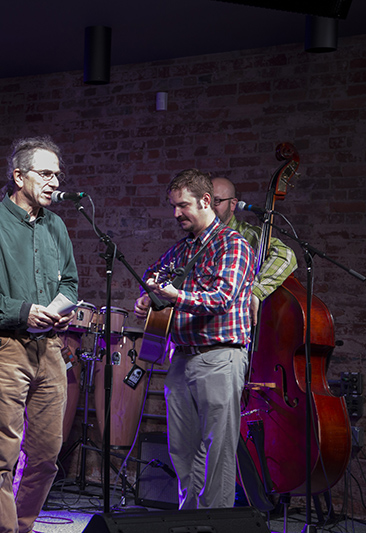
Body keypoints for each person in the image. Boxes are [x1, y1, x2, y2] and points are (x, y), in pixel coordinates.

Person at [0, 136, 78, 533]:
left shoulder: (56, 226)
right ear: (19, 176)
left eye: (57, 174)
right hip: (1, 348)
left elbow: (70, 283)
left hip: (49, 350)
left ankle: (20, 526)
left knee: (45, 455)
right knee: (0, 455)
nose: (54, 181)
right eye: (45, 173)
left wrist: (58, 311)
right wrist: (23, 312)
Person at [134, 169, 254, 509]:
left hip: (219, 356)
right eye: (173, 206)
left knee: (217, 451)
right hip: (182, 357)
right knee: (182, 450)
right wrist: (147, 296)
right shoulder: (182, 250)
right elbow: (152, 277)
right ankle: (188, 520)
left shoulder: (233, 244)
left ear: (205, 201)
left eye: (182, 205)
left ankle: (214, 524)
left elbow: (223, 297)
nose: (176, 214)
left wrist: (175, 296)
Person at [210, 177, 297, 324]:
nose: (210, 207)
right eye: (206, 201)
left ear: (233, 204)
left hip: (235, 327)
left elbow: (286, 255)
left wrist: (256, 292)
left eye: (217, 201)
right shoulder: (196, 238)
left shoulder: (246, 235)